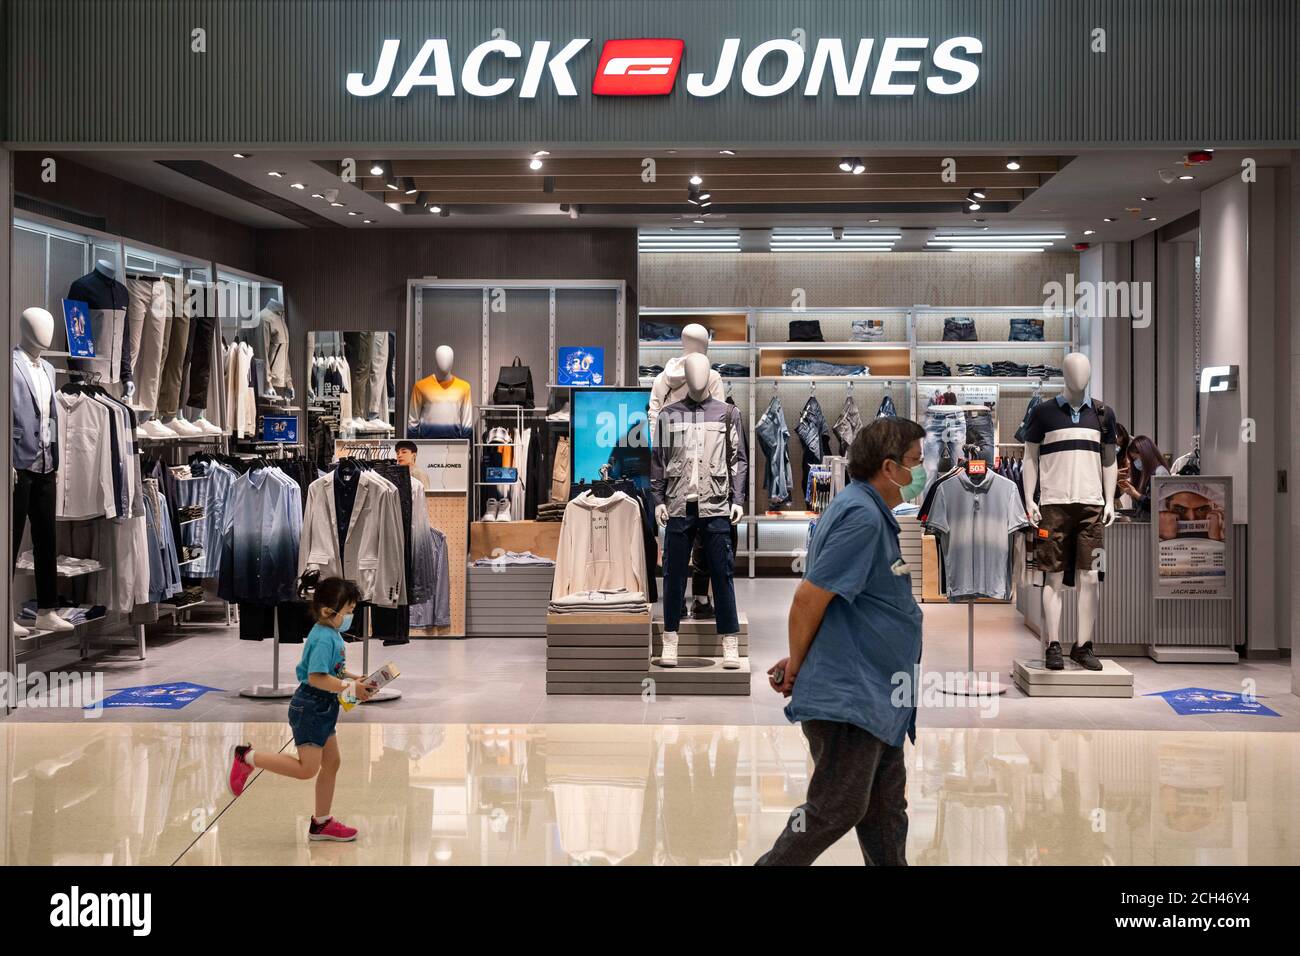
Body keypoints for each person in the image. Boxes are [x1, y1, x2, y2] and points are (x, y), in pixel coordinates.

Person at [757, 417, 926, 866]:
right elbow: (809, 597)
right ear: (888, 467)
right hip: (853, 697)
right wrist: (797, 663)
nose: (919, 473)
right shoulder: (863, 517)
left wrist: (804, 656)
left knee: (885, 809)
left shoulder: (866, 510)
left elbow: (841, 603)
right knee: (836, 808)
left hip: (879, 696)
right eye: (914, 463)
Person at [227, 577, 375, 841]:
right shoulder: (323, 639)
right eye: (349, 612)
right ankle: (247, 757)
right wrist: (347, 687)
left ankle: (321, 822)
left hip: (323, 705)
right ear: (329, 611)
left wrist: (353, 679)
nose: (352, 617)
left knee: (333, 762)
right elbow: (317, 677)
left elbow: (332, 671)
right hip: (311, 707)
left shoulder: (331, 634)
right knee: (307, 769)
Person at [1118, 434, 1168, 517]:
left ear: (1145, 455)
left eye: (1135, 458)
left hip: (1155, 526)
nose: (1135, 462)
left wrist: (1135, 494)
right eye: (1133, 460)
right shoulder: (1145, 474)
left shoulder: (1160, 473)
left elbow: (1155, 505)